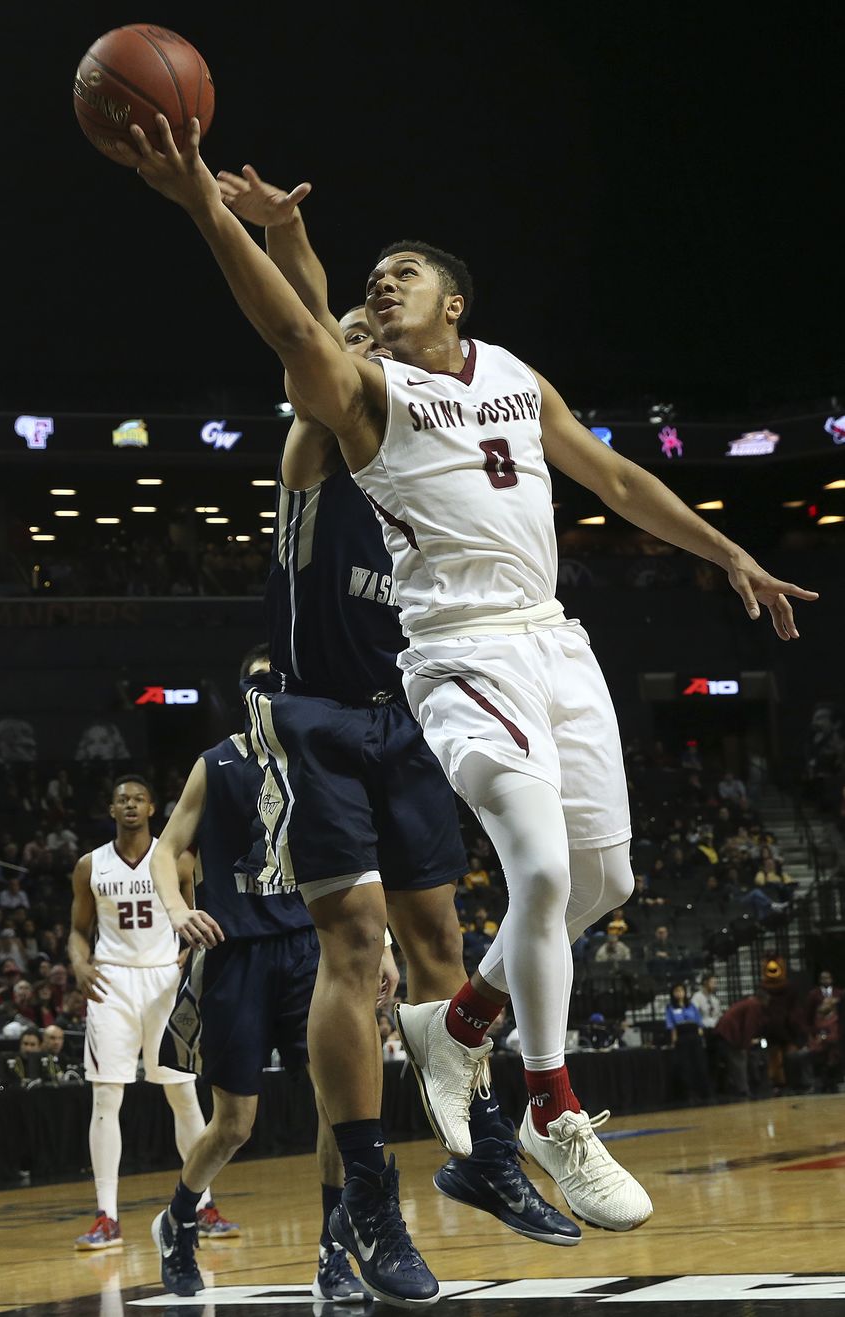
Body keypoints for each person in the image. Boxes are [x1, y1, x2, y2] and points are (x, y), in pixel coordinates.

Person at [124, 116, 816, 1242]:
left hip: (554, 638)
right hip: (457, 651)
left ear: (456, 303)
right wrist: (203, 201)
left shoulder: (510, 377)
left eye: (401, 275)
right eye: (369, 279)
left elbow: (614, 478)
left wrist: (726, 549)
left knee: (603, 883)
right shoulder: (356, 398)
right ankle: (548, 1105)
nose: (379, 286)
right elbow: (295, 321)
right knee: (538, 871)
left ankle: (464, 1022)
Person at [147, 670, 370, 1303]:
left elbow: (357, 853)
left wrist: (376, 944)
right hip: (234, 952)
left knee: (334, 1105)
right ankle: (180, 1221)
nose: (270, 695)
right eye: (259, 684)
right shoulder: (214, 764)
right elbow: (168, 850)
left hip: (309, 948)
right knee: (235, 1124)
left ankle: (334, 1252)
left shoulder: (316, 760)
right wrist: (175, 909)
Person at [67, 775, 235, 1251]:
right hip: (112, 983)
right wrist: (80, 961)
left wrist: (190, 957)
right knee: (105, 1097)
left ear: (152, 807)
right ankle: (106, 1216)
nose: (131, 806)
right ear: (112, 810)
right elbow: (78, 931)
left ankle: (203, 1206)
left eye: (138, 798)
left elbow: (205, 913)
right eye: (122, 800)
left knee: (184, 1095)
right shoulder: (89, 866)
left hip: (165, 982)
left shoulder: (176, 859)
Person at [664, 983, 711, 1103]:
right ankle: (689, 1093)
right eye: (676, 991)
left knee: (698, 1064)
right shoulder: (670, 1008)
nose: (679, 993)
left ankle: (702, 1092)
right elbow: (672, 1026)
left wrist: (701, 1038)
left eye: (681, 991)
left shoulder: (691, 1006)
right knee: (685, 1067)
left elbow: (699, 1022)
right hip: (682, 1038)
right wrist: (674, 1041)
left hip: (694, 1037)